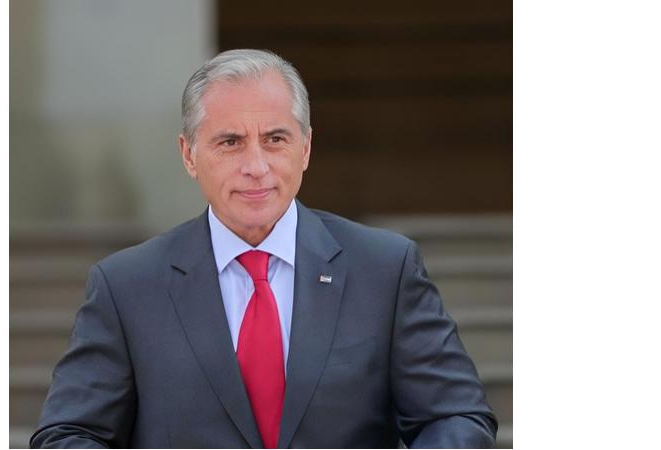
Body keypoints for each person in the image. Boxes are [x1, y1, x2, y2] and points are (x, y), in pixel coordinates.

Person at [30, 49, 497, 449]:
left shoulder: (385, 270)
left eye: (275, 140)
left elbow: (457, 418)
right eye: (230, 142)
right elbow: (68, 434)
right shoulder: (126, 287)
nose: (256, 166)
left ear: (305, 148)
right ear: (189, 155)